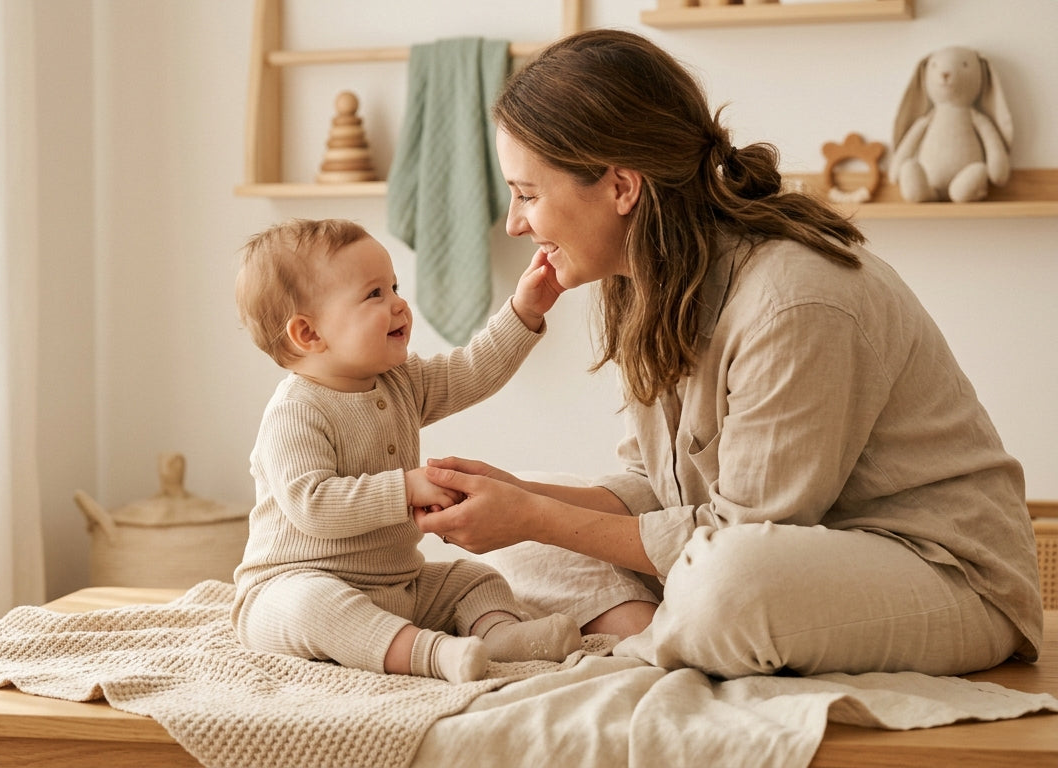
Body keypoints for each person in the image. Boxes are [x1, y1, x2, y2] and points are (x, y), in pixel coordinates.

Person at [413, 29, 1042, 679]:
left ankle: (644, 650)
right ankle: (661, 641)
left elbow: (747, 536)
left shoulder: (795, 300)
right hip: (763, 558)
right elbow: (655, 489)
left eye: (528, 193)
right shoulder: (650, 281)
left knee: (729, 582)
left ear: (622, 188)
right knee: (527, 543)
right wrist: (518, 498)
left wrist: (536, 515)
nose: (517, 223)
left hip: (944, 578)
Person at [231, 218, 582, 683]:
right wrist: (406, 488)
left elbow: (472, 370)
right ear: (309, 334)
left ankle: (497, 636)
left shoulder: (401, 382)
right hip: (290, 588)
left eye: (393, 286)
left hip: (396, 585)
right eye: (374, 294)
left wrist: (524, 311)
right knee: (315, 605)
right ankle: (432, 654)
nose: (399, 303)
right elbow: (312, 506)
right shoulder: (296, 412)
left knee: (473, 578)